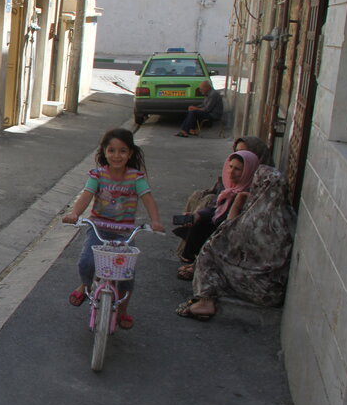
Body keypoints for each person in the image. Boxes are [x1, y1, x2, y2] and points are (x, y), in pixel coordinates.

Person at [62, 128, 165, 329]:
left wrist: (156, 221)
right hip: (98, 228)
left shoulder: (136, 178)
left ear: (130, 154)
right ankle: (84, 285)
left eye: (122, 151)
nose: (117, 156)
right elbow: (86, 194)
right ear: (104, 152)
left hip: (124, 233)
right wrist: (75, 213)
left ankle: (123, 309)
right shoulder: (98, 174)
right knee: (86, 263)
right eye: (111, 151)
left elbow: (148, 199)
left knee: (126, 275)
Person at [177, 166, 296, 320]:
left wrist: (238, 203)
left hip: (256, 288)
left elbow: (223, 236)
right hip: (275, 290)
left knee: (209, 251)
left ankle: (205, 301)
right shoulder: (288, 217)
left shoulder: (254, 220)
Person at [175, 150, 259, 280]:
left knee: (214, 231)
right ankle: (195, 262)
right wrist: (198, 215)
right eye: (230, 167)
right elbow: (215, 208)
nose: (231, 172)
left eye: (238, 169)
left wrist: (238, 201)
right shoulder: (229, 188)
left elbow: (232, 225)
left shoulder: (249, 195)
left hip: (233, 238)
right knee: (199, 223)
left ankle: (201, 267)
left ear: (248, 172)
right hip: (220, 228)